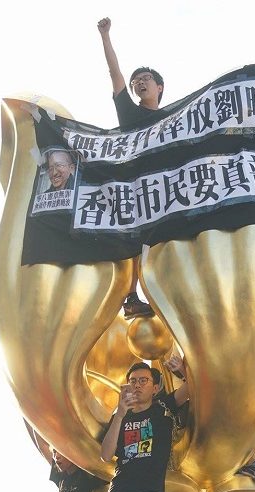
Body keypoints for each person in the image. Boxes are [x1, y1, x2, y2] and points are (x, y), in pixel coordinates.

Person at [97, 16, 160, 320]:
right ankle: (132, 297)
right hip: (137, 188)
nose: (139, 82)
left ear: (159, 87)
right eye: (136, 81)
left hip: (172, 189)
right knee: (136, 241)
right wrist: (105, 36)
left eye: (146, 78)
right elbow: (114, 73)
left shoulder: (177, 117)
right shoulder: (130, 113)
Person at [100, 355, 190, 492]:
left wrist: (182, 370)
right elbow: (106, 455)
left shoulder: (163, 408)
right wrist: (119, 415)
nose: (137, 385)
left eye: (143, 380)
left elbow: (193, 389)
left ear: (155, 388)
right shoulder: (120, 416)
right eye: (132, 381)